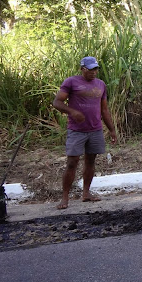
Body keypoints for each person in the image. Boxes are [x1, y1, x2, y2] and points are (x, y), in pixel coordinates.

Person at [52, 56, 117, 209]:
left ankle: (86, 194)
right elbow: (57, 102)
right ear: (82, 69)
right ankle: (65, 198)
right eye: (90, 69)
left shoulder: (101, 85)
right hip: (76, 130)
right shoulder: (71, 82)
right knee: (72, 162)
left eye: (96, 69)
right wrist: (72, 112)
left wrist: (112, 129)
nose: (94, 72)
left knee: (91, 161)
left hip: (95, 129)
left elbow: (104, 109)